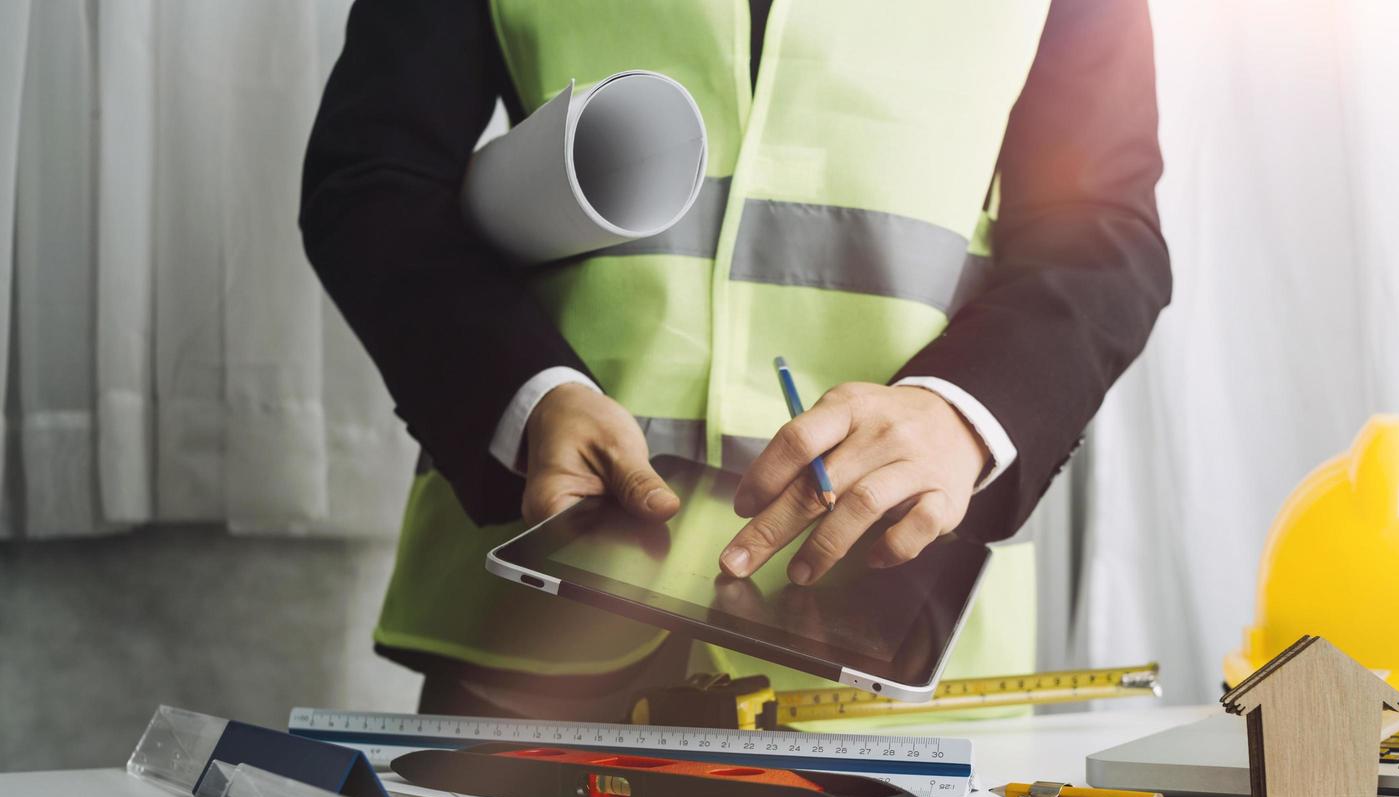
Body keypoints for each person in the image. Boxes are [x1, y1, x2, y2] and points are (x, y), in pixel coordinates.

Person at [300, 0, 1171, 720]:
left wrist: (959, 413)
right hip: (541, 597)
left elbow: (1102, 235)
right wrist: (526, 397)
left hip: (886, 626)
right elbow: (374, 176)